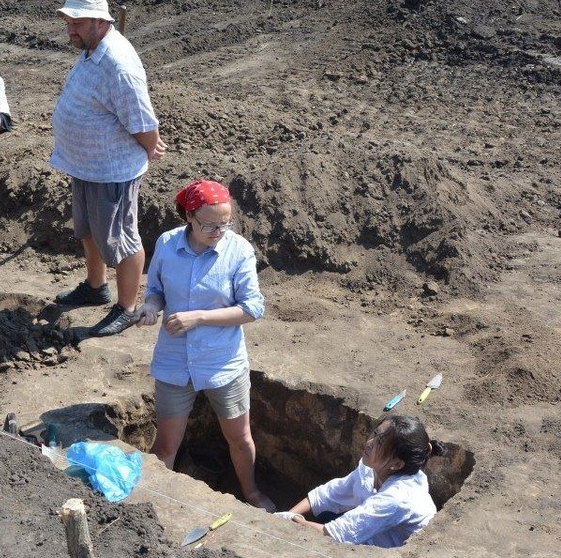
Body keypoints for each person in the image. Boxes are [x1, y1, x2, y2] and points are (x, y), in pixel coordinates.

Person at [135, 179, 275, 512]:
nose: (218, 232)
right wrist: (151, 307)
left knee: (239, 439)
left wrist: (198, 317)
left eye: (224, 225)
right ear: (188, 216)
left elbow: (252, 307)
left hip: (222, 362)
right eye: (209, 225)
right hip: (174, 360)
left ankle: (251, 493)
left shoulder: (238, 250)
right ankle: (154, 506)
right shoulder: (168, 244)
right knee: (166, 445)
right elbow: (155, 290)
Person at [50, 0, 166, 335]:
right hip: (85, 165)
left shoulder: (118, 62)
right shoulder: (91, 48)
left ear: (100, 21)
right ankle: (96, 286)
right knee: (88, 230)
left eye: (77, 22)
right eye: (67, 22)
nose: (70, 29)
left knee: (121, 238)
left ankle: (127, 307)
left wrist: (151, 145)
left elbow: (141, 118)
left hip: (111, 169)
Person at [275, 415, 441, 547]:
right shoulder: (372, 468)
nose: (369, 443)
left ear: (397, 464)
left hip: (391, 551)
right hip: (372, 538)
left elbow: (337, 534)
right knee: (325, 515)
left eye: (380, 443)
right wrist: (288, 514)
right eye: (375, 434)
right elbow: (330, 494)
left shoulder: (398, 498)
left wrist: (294, 521)